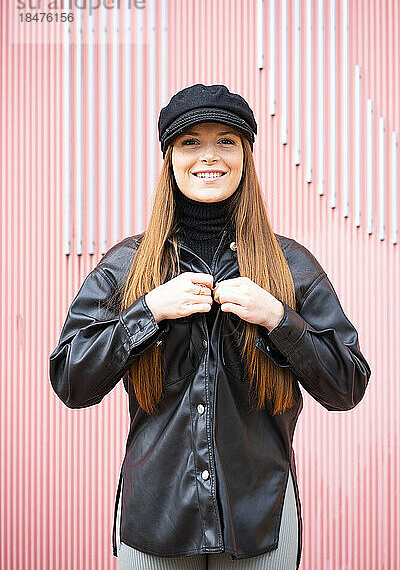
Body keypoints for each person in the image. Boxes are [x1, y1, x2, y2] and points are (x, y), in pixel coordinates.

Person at [49, 83, 371, 570]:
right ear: (169, 158)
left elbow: (347, 385)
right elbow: (71, 381)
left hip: (260, 517)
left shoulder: (291, 265)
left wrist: (279, 320)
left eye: (226, 140)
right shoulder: (126, 265)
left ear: (246, 155)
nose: (209, 156)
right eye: (190, 141)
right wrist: (147, 313)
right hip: (153, 517)